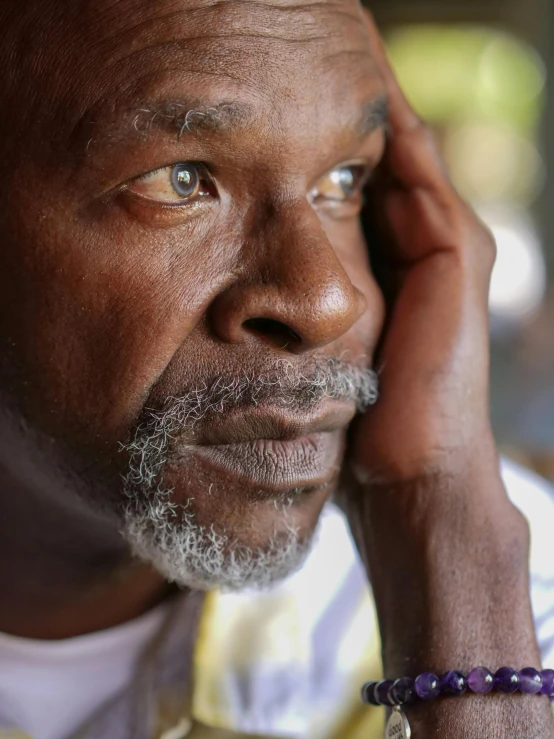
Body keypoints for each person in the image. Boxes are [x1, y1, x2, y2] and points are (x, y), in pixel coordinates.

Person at [0, 1, 554, 737]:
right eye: (181, 179)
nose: (328, 300)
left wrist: (446, 554)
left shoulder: (519, 596)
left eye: (344, 180)